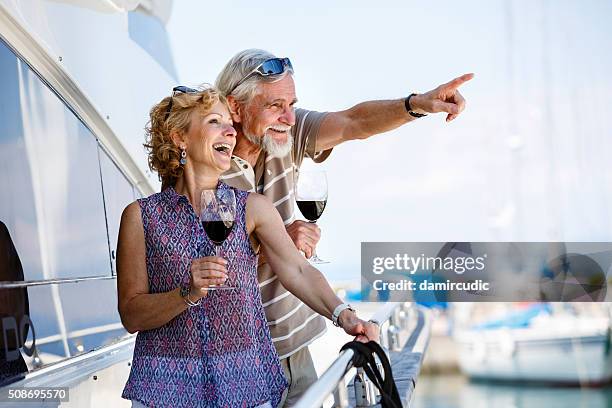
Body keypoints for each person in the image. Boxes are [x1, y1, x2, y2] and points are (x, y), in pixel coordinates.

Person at [215, 49, 473, 405]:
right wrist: (275, 243)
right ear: (236, 107)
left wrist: (417, 105)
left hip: (295, 347)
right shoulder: (206, 167)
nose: (289, 118)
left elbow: (354, 122)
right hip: (236, 359)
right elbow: (200, 269)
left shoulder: (286, 134)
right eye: (276, 105)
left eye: (292, 104)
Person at [117, 87, 378, 408]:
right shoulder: (140, 217)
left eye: (230, 122)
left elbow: (297, 270)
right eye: (215, 121)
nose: (230, 130)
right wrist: (187, 293)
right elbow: (131, 315)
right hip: (164, 389)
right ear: (180, 138)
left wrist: (345, 316)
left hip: (244, 385)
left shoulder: (252, 207)